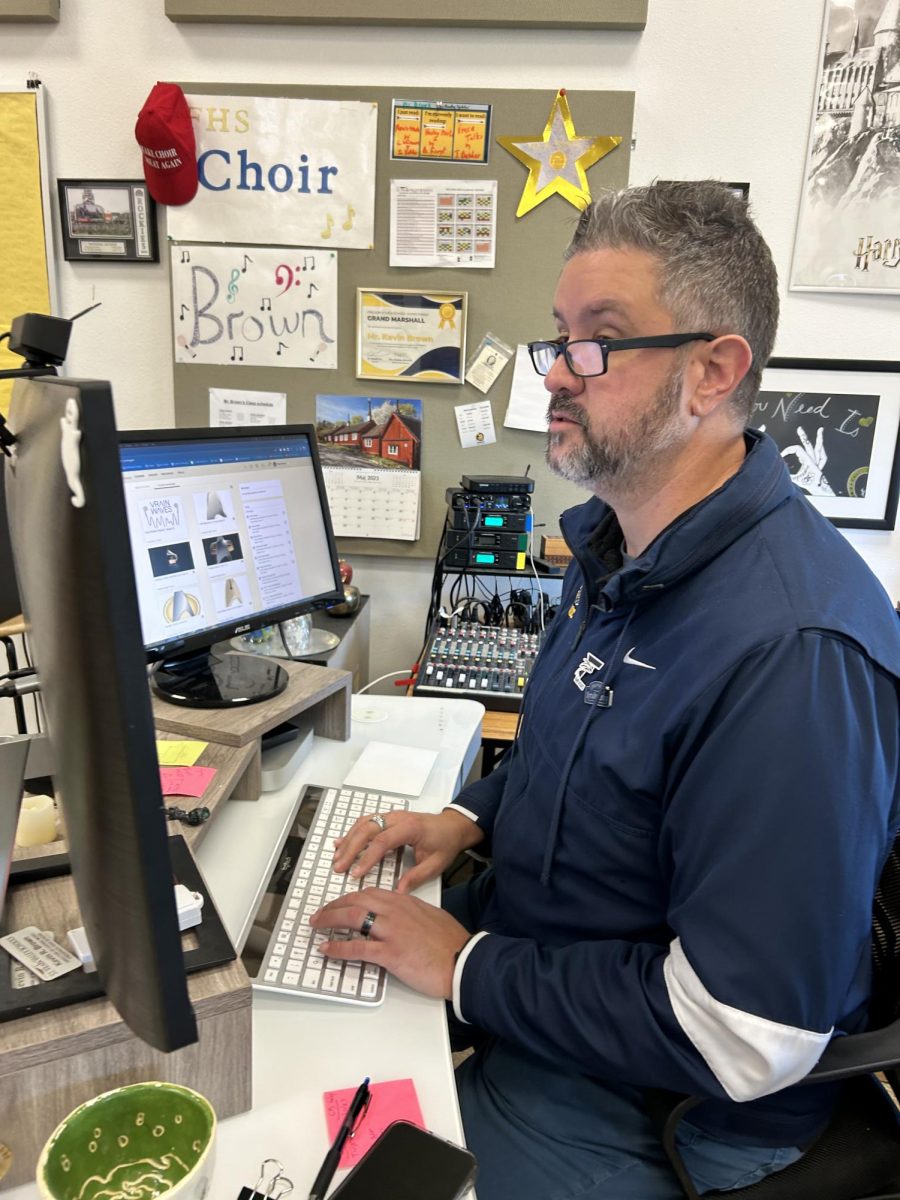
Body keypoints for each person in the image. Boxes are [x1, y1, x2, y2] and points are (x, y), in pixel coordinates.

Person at [310, 181, 900, 1198]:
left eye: (601, 341)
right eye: (558, 338)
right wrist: (466, 816)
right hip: (548, 973)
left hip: (658, 1101)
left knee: (339, 1173)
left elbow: (744, 1035)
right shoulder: (623, 552)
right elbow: (589, 753)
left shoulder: (791, 654)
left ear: (713, 372)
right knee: (300, 1020)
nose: (557, 375)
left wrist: (464, 965)